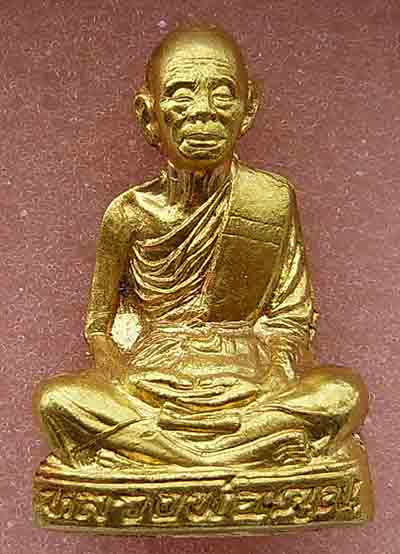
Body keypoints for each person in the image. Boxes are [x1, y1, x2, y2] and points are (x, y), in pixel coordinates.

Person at [35, 26, 368, 471]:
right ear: (148, 114)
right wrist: (127, 379)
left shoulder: (270, 200)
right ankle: (234, 454)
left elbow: (291, 318)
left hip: (249, 386)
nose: (203, 112)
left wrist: (275, 374)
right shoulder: (128, 214)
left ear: (248, 108)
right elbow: (101, 328)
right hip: (152, 387)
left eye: (223, 95)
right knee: (56, 400)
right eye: (180, 95)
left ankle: (172, 455)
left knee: (344, 394)